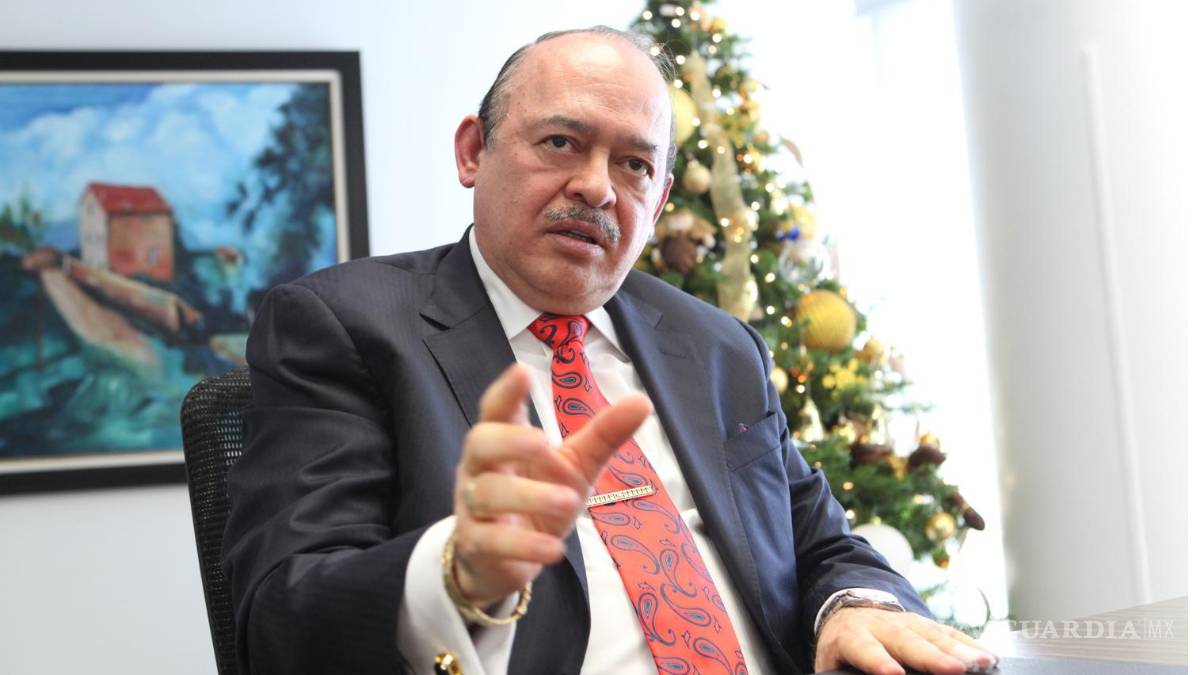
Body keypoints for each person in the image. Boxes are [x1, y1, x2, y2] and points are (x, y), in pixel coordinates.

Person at [223, 26, 999, 675]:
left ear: (658, 202)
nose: (596, 187)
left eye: (634, 164)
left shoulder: (717, 346)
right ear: (473, 152)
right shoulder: (347, 325)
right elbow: (281, 618)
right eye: (561, 142)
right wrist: (456, 571)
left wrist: (854, 605)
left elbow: (822, 541)